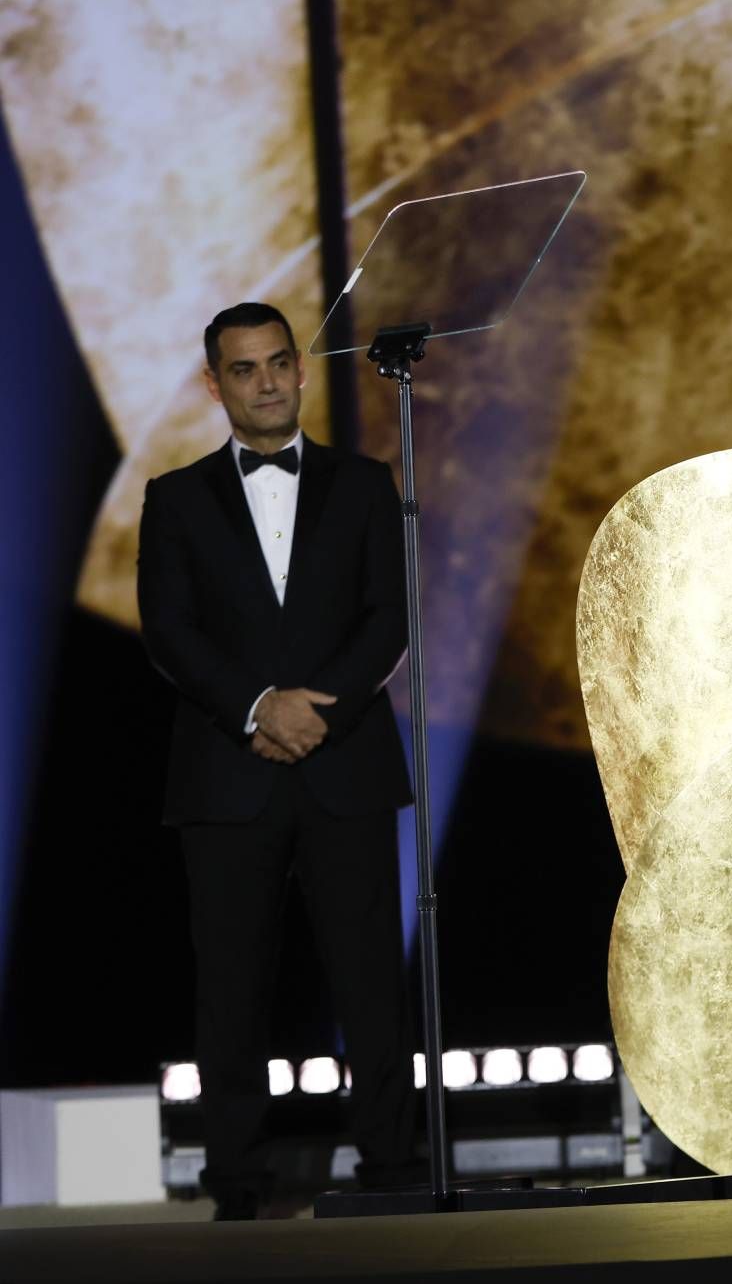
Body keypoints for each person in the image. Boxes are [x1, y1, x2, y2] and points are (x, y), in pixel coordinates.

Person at [137, 302, 419, 1216]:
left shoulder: (366, 483)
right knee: (230, 991)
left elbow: (389, 615)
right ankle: (238, 1183)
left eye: (276, 362)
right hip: (229, 769)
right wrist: (259, 707)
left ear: (300, 368)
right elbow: (169, 630)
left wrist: (313, 713)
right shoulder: (175, 498)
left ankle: (391, 1171)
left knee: (371, 982)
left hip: (346, 762)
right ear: (213, 384)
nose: (265, 382)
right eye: (243, 368)